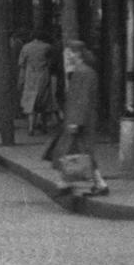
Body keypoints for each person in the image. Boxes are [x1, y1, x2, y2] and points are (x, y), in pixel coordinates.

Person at [47, 40, 108, 196]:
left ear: (78, 54)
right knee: (80, 151)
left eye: (70, 53)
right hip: (81, 118)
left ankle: (67, 182)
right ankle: (96, 183)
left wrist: (76, 122)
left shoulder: (82, 73)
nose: (68, 56)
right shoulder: (85, 72)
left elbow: (82, 99)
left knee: (72, 150)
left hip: (80, 119)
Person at [17, 29, 54, 134]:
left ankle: (30, 127)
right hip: (43, 76)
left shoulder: (26, 47)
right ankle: (44, 126)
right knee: (44, 102)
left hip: (30, 77)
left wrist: (21, 80)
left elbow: (22, 64)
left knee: (30, 103)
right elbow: (51, 62)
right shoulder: (47, 47)